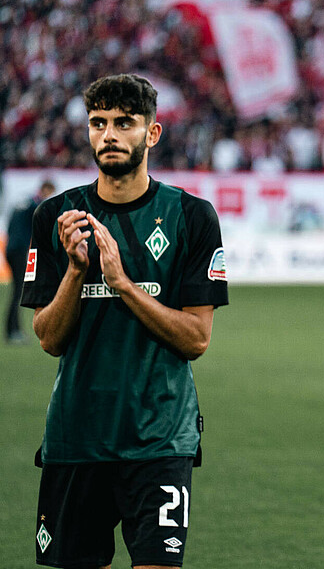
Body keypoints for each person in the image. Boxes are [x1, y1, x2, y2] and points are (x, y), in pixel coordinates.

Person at [21, 74, 228, 569]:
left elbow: (197, 338)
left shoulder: (192, 216)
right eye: (98, 123)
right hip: (76, 437)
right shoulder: (56, 215)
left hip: (159, 437)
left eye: (124, 123)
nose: (109, 135)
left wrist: (123, 283)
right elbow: (49, 338)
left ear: (152, 134)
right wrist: (77, 270)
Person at [5, 179, 55, 343]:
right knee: (19, 291)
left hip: (10, 248)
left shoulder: (23, 202)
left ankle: (12, 329)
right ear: (45, 189)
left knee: (16, 290)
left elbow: (11, 224)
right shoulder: (36, 205)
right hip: (19, 250)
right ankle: (13, 331)